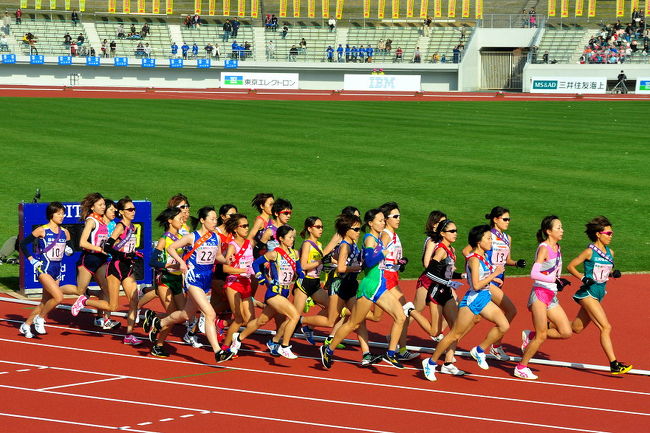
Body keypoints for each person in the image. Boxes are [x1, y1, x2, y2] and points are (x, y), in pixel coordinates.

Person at [320, 209, 408, 370]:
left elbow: (371, 262)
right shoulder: (369, 239)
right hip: (370, 286)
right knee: (353, 323)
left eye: (383, 220)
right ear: (370, 223)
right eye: (380, 220)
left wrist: (395, 260)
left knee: (400, 317)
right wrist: (384, 253)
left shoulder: (378, 239)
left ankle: (391, 353)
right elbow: (368, 261)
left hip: (379, 284)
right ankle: (328, 349)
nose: (383, 223)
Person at [421, 225, 508, 382]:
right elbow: (475, 285)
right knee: (454, 334)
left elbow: (480, 278)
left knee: (504, 325)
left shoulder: (483, 256)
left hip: (484, 298)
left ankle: (480, 350)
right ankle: (431, 362)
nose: (491, 241)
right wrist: (494, 275)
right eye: (488, 238)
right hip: (473, 300)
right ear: (479, 241)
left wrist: (492, 278)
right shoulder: (474, 259)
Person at [146, 207, 228, 359]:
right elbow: (171, 248)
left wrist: (230, 260)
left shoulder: (216, 238)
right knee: (210, 313)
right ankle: (218, 352)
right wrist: (181, 262)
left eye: (216, 219)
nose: (214, 222)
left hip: (206, 279)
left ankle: (159, 323)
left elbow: (218, 257)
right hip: (193, 279)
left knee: (186, 314)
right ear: (203, 220)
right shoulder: (192, 237)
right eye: (211, 218)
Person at [72, 197, 143, 345]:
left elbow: (127, 246)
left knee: (134, 300)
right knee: (113, 306)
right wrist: (125, 255)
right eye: (130, 209)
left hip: (127, 268)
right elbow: (108, 247)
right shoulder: (120, 227)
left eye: (134, 209)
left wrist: (134, 254)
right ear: (122, 212)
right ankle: (85, 300)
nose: (133, 211)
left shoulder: (133, 227)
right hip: (116, 267)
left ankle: (129, 335)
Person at [566, 216, 632, 375]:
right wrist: (583, 278)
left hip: (599, 294)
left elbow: (603, 270)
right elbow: (570, 266)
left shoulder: (611, 253)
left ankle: (539, 330)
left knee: (576, 328)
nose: (611, 236)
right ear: (598, 234)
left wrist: (612, 273)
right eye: (608, 233)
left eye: (611, 233)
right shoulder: (589, 251)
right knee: (606, 327)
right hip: (587, 294)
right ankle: (614, 364)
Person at [227, 225, 304, 360]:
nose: (292, 240)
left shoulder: (295, 253)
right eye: (290, 237)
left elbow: (299, 269)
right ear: (281, 239)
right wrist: (260, 277)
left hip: (285, 292)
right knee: (295, 316)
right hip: (274, 293)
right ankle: (284, 346)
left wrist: (301, 276)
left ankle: (238, 338)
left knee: (261, 321)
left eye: (293, 237)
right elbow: (256, 264)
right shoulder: (274, 253)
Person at [463, 207, 526, 361]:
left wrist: (516, 263)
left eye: (509, 219)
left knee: (474, 319)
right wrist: (480, 268)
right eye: (505, 219)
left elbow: (506, 260)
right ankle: (495, 346)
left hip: (498, 280)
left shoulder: (507, 238)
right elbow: (467, 252)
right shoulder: (487, 236)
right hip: (488, 281)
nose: (508, 222)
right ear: (495, 219)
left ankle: (451, 343)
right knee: (511, 310)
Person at [516, 216, 573, 380]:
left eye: (562, 227)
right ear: (549, 231)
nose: (562, 230)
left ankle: (530, 335)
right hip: (540, 294)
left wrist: (557, 281)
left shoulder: (557, 247)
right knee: (542, 335)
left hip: (551, 296)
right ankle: (521, 367)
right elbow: (534, 274)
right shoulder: (544, 248)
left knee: (566, 331)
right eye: (559, 228)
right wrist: (555, 280)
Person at [407, 220, 465, 376]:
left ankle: (447, 362)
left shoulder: (452, 250)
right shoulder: (441, 250)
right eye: (452, 231)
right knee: (435, 331)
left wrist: (463, 276)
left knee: (456, 328)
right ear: (442, 233)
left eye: (456, 230)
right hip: (436, 292)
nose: (455, 233)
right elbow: (430, 273)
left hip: (446, 291)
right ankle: (411, 310)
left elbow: (447, 273)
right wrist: (448, 282)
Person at [19, 202, 77, 338]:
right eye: (59, 213)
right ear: (51, 215)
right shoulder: (42, 230)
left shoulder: (65, 232)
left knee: (45, 302)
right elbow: (22, 243)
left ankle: (26, 325)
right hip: (44, 268)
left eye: (63, 213)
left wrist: (69, 250)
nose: (62, 216)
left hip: (56, 269)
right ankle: (40, 318)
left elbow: (71, 250)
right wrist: (31, 260)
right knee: (59, 297)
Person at [380, 202, 417, 362]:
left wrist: (399, 262)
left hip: (393, 277)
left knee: (376, 316)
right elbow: (378, 255)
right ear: (386, 219)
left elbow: (391, 257)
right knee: (402, 314)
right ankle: (395, 351)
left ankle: (401, 349)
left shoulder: (394, 234)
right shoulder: (386, 234)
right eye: (395, 216)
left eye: (399, 216)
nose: (398, 219)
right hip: (386, 278)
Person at [219, 213, 256, 358]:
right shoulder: (232, 246)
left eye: (248, 225)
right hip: (233, 284)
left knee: (250, 320)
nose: (247, 228)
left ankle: (222, 324)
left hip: (246, 283)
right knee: (239, 318)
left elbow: (251, 264)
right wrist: (242, 270)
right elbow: (225, 269)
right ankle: (226, 347)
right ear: (235, 229)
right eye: (244, 226)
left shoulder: (249, 244)